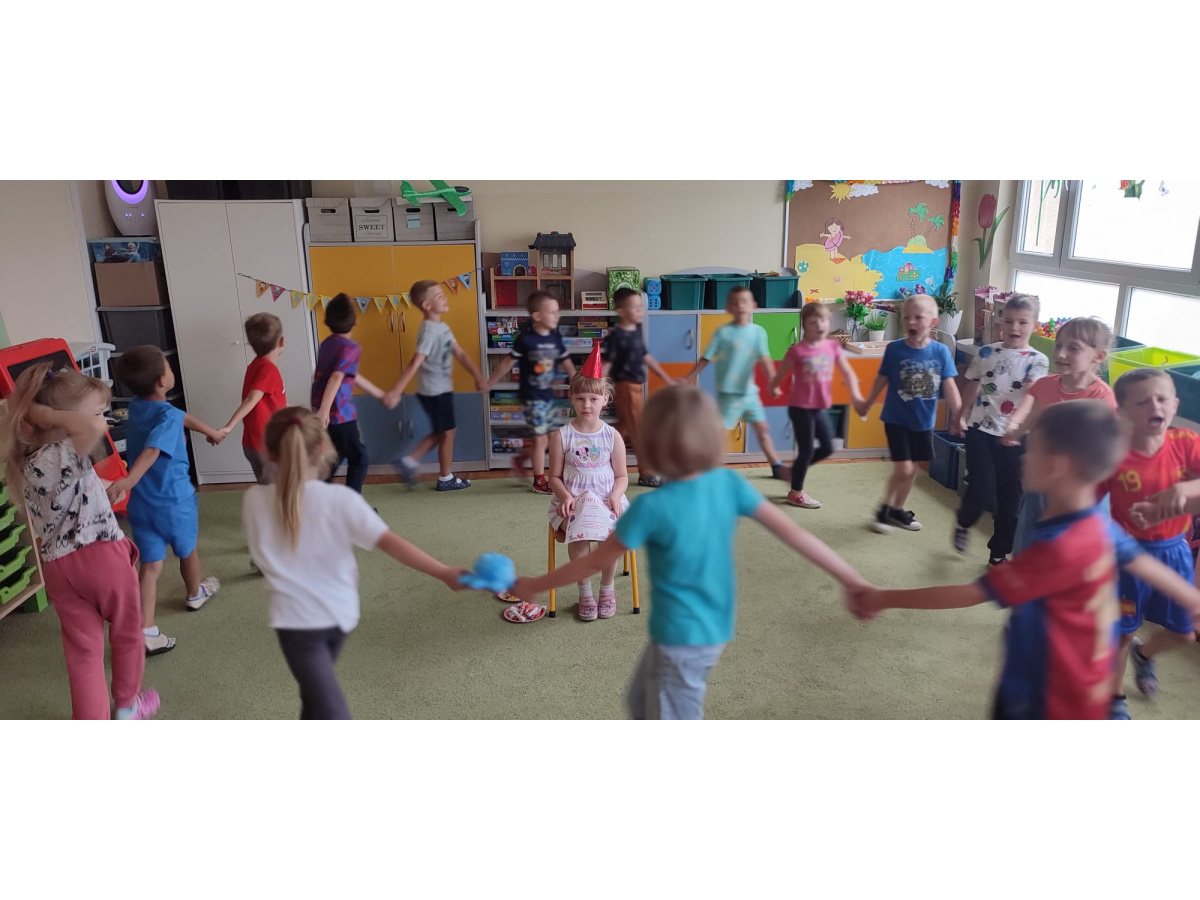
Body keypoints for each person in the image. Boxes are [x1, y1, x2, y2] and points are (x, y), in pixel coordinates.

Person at [513, 384, 869, 719]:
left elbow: (593, 562)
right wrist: (851, 579)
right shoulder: (727, 484)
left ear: (651, 448)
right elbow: (795, 534)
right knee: (640, 699)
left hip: (681, 636)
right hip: (710, 625)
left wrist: (536, 584)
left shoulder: (650, 509)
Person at [851, 401, 1200, 719]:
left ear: (1056, 467)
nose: (1022, 457)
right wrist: (1190, 598)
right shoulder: (1101, 525)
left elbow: (970, 593)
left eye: (1030, 450)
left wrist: (882, 597)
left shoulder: (1053, 550)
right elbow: (1143, 564)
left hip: (1037, 695)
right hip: (1089, 689)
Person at [242, 407, 467, 719]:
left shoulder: (254, 500)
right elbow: (391, 543)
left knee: (317, 697)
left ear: (266, 451)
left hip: (295, 622)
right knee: (322, 702)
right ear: (323, 447)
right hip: (340, 616)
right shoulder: (342, 500)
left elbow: (264, 555)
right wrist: (443, 572)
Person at [1, 363, 159, 719]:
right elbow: (93, 428)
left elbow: (68, 491)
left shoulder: (30, 460)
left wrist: (107, 487)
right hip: (100, 556)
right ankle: (128, 704)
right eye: (97, 411)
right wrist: (44, 413)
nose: (102, 420)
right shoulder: (66, 449)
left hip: (59, 568)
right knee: (127, 632)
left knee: (83, 653)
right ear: (64, 419)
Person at [108, 345, 223, 655]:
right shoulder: (168, 416)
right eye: (169, 368)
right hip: (175, 503)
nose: (172, 371)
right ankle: (195, 593)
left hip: (142, 505)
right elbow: (153, 449)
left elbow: (181, 417)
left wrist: (210, 431)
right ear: (162, 381)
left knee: (151, 566)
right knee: (188, 550)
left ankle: (147, 631)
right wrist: (129, 478)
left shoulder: (138, 407)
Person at [1100, 369, 1200, 719]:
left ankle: (1146, 655)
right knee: (1122, 633)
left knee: (1184, 634)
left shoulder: (1186, 442)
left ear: (1174, 405)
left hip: (1175, 552)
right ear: (1123, 412)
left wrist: (1184, 489)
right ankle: (1115, 701)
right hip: (1128, 556)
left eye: (1161, 399)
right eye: (1142, 401)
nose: (1154, 406)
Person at [1003, 316, 1116, 553]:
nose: (1061, 354)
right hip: (1042, 478)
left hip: (1078, 488)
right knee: (1030, 532)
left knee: (1071, 547)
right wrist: (1016, 432)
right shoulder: (1045, 385)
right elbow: (1035, 417)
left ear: (1098, 356)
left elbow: (1100, 449)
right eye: (1058, 345)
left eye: (1073, 348)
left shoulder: (1101, 398)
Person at [951, 293, 1048, 565]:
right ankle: (964, 521)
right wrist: (959, 416)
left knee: (1010, 498)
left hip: (1016, 437)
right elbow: (972, 385)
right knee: (980, 488)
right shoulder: (986, 352)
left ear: (1035, 325)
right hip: (980, 430)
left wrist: (1016, 424)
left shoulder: (1038, 360)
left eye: (1023, 322)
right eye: (1009, 321)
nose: (1015, 328)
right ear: (1000, 323)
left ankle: (998, 552)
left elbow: (1031, 395)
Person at [856, 293, 961, 534]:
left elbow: (950, 386)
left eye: (918, 318)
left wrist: (958, 415)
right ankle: (884, 509)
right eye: (906, 317)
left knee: (912, 469)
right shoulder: (895, 349)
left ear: (933, 322)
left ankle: (897, 509)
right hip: (896, 419)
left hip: (923, 423)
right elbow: (882, 379)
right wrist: (868, 402)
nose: (911, 322)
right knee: (904, 468)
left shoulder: (941, 352)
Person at [548, 345, 629, 620]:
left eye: (593, 399)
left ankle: (607, 588)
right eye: (580, 398)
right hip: (573, 501)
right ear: (571, 399)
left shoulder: (612, 436)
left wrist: (616, 496)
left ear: (605, 399)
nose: (586, 405)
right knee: (580, 533)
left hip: (607, 499)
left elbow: (622, 476)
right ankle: (585, 591)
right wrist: (565, 497)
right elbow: (554, 477)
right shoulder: (562, 436)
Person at [383, 280, 486, 492]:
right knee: (448, 432)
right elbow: (415, 361)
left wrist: (477, 375)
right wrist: (396, 390)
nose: (445, 297)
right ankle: (445, 477)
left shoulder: (442, 328)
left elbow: (460, 354)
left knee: (443, 432)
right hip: (434, 391)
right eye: (439, 296)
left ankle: (409, 462)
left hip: (439, 389)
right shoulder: (430, 331)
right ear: (427, 305)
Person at [685, 286, 788, 482]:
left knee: (762, 429)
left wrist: (774, 383)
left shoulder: (758, 332)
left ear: (753, 306)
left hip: (749, 393)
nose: (740, 306)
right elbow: (706, 357)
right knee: (719, 432)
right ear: (728, 307)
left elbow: (765, 359)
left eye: (744, 302)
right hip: (729, 394)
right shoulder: (723, 333)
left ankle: (776, 465)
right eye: (735, 302)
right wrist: (689, 376)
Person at [769, 301, 863, 508]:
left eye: (823, 320)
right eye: (813, 322)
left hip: (819, 406)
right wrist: (774, 387)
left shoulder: (832, 347)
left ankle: (793, 472)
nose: (819, 325)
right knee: (806, 450)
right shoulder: (797, 351)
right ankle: (796, 493)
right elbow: (781, 373)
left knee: (827, 447)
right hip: (800, 407)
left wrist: (856, 395)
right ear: (804, 326)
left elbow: (847, 371)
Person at [485, 291, 577, 494]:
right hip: (532, 396)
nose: (557, 316)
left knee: (550, 437)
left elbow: (567, 362)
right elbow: (507, 362)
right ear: (537, 316)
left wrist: (577, 382)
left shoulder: (555, 337)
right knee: (542, 438)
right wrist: (490, 382)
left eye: (557, 311)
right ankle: (539, 481)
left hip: (548, 395)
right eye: (552, 312)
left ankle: (521, 459)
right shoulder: (526, 340)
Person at [311, 293, 386, 494]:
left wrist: (379, 394)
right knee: (359, 458)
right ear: (355, 321)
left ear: (327, 320)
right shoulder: (351, 348)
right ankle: (352, 504)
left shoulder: (328, 343)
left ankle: (318, 498)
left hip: (326, 411)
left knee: (334, 457)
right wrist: (325, 410)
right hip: (339, 413)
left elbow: (348, 374)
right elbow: (336, 377)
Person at [603, 287, 676, 488]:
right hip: (626, 388)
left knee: (624, 428)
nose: (640, 311)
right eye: (634, 307)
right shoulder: (617, 336)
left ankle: (598, 454)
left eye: (640, 307)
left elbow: (646, 357)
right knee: (639, 431)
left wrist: (666, 378)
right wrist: (596, 383)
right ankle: (646, 473)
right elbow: (607, 363)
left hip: (636, 387)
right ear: (621, 311)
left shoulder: (635, 332)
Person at [216, 313, 288, 485]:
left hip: (253, 444)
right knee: (278, 490)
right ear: (282, 342)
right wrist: (229, 426)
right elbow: (251, 399)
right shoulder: (268, 370)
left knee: (270, 490)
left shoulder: (256, 365)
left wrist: (302, 413)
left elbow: (274, 402)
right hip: (265, 445)